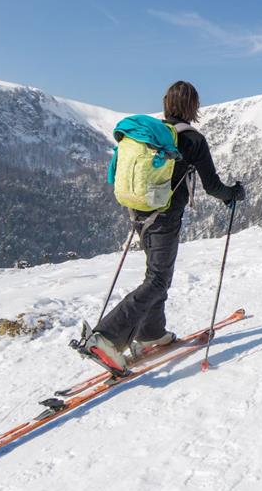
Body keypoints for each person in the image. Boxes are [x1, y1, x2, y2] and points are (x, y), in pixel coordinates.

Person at [82, 81, 245, 374]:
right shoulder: (192, 139)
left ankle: (150, 334)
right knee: (158, 279)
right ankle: (106, 337)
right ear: (193, 106)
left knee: (156, 274)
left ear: (167, 102)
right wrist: (234, 193)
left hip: (138, 212)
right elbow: (213, 187)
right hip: (165, 218)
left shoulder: (152, 135)